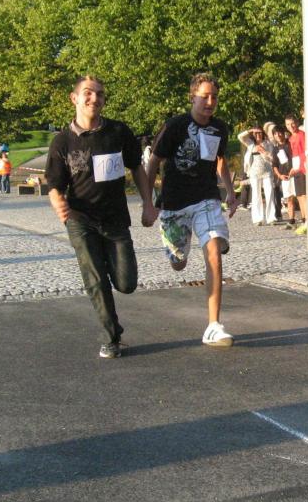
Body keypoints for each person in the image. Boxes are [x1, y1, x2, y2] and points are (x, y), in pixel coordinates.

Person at [45, 75, 155, 359]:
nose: (95, 98)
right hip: (80, 219)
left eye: (100, 94)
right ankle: (111, 337)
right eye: (88, 93)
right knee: (95, 279)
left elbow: (137, 168)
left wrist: (148, 203)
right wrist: (58, 203)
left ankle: (111, 273)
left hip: (115, 219)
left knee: (126, 283)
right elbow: (54, 185)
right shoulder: (62, 142)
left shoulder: (118, 132)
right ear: (74, 98)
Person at [145, 72, 238, 347]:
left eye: (214, 97)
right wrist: (149, 203)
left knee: (213, 251)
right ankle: (176, 254)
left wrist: (230, 192)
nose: (210, 102)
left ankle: (214, 325)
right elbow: (153, 162)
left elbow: (219, 160)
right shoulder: (175, 126)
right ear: (192, 97)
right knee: (179, 263)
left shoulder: (219, 128)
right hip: (174, 203)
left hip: (206, 198)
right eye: (205, 96)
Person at [237, 126, 276, 225]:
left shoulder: (268, 143)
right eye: (256, 133)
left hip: (267, 172)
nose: (258, 135)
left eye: (260, 133)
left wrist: (263, 151)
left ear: (263, 133)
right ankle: (257, 219)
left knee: (270, 193)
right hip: (254, 172)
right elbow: (240, 136)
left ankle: (271, 218)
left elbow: (272, 158)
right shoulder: (250, 143)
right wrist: (250, 130)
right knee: (256, 195)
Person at [284, 114, 308, 234]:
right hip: (295, 168)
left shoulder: (302, 135)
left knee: (304, 196)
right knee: (299, 196)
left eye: (292, 123)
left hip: (302, 169)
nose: (291, 126)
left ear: (297, 123)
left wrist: (298, 167)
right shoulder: (290, 138)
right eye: (288, 124)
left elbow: (305, 152)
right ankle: (304, 220)